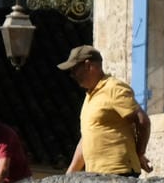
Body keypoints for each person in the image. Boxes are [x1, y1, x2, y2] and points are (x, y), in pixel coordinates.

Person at [58, 45, 152, 176]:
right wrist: (70, 174)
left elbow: (142, 121)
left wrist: (139, 153)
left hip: (119, 172)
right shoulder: (90, 96)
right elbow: (87, 137)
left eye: (74, 69)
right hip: (97, 176)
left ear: (87, 65)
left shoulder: (113, 88)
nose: (72, 75)